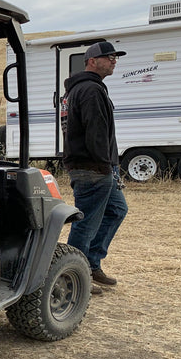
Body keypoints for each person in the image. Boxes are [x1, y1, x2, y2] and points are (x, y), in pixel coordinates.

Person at [62, 40, 129, 295]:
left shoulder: (82, 89)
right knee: (86, 222)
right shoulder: (90, 89)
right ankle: (72, 277)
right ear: (91, 61)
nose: (113, 60)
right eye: (108, 56)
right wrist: (105, 165)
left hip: (95, 165)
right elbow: (96, 131)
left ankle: (90, 264)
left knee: (116, 210)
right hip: (93, 167)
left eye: (115, 57)